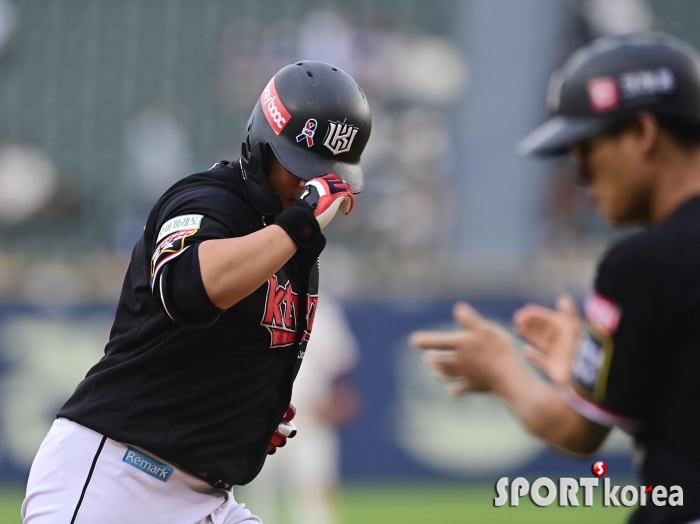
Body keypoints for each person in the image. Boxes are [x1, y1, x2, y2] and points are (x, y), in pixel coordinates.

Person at [21, 60, 371, 524]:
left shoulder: (294, 246)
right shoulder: (206, 200)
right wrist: (301, 221)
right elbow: (188, 290)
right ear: (262, 145)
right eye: (301, 168)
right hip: (116, 478)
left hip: (204, 497)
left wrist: (248, 410)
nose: (310, 185)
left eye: (326, 174)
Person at [411, 33, 700, 524]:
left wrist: (499, 367)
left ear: (644, 133)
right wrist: (581, 370)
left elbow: (576, 431)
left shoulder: (644, 264)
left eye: (586, 144)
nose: (579, 172)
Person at [238, 292, 360, 524]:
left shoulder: (321, 307)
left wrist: (339, 395)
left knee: (315, 502)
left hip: (311, 418)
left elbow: (340, 364)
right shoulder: (253, 297)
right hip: (260, 417)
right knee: (257, 503)